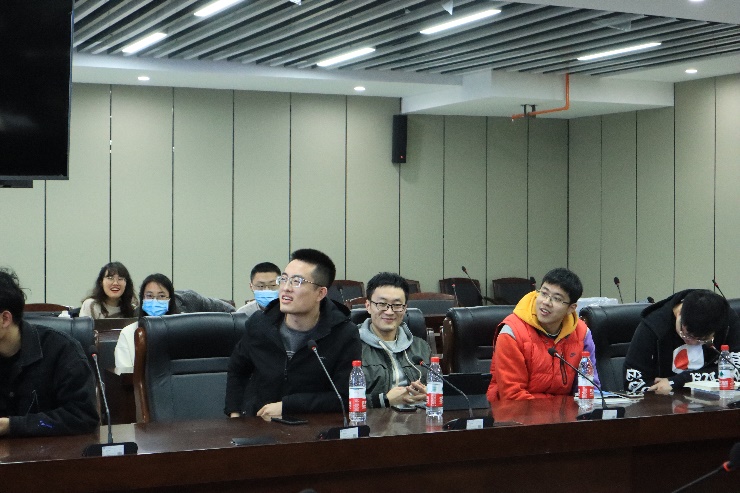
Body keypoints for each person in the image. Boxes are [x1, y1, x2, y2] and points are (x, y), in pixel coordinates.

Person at [225, 248, 361, 418]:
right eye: (283, 279)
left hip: (314, 426)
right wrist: (235, 414)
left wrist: (288, 406)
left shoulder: (343, 334)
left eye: (297, 281)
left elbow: (345, 397)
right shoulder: (260, 324)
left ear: (320, 293)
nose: (286, 288)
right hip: (259, 423)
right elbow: (237, 370)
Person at [0, 268, 98, 437]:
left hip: (51, 452)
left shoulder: (61, 350)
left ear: (5, 319)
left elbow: (82, 417)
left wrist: (13, 426)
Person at [487, 267, 599, 402]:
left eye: (556, 299)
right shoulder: (512, 332)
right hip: (516, 411)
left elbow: (588, 388)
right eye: (544, 293)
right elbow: (513, 395)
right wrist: (554, 413)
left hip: (564, 412)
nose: (546, 302)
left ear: (571, 308)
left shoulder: (582, 333)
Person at [624, 289, 740, 394]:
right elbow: (633, 384)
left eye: (703, 340)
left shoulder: (727, 321)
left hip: (715, 401)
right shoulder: (653, 327)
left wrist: (678, 381)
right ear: (679, 313)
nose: (693, 343)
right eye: (687, 335)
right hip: (665, 404)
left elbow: (736, 370)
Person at [358, 272, 430, 408]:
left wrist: (430, 394)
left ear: (405, 308)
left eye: (397, 305)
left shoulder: (421, 346)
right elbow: (341, 400)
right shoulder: (352, 346)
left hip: (418, 417)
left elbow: (441, 390)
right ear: (368, 306)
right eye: (382, 304)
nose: (389, 312)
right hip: (374, 419)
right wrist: (383, 400)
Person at [113, 273, 180, 368]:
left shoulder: (180, 332)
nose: (155, 301)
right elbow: (124, 373)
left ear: (170, 300)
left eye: (161, 296)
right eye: (149, 296)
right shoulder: (128, 333)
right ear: (142, 299)